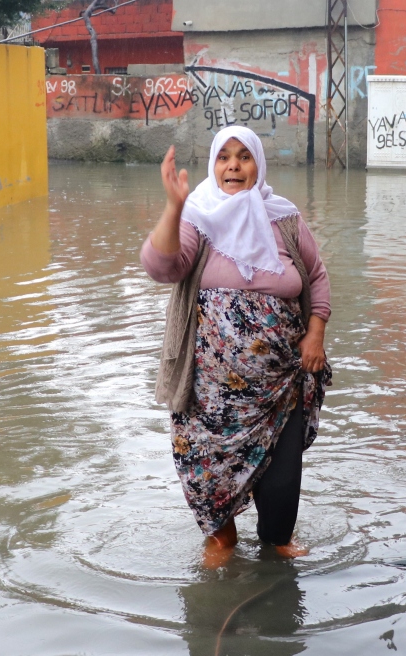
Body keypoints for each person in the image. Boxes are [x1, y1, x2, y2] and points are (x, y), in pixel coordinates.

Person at [141, 125, 332, 568]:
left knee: (283, 481)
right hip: (209, 390)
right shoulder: (198, 217)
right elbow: (161, 267)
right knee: (208, 472)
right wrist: (173, 208)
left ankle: (277, 539)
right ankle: (221, 539)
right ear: (213, 165)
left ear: (258, 165)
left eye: (244, 156)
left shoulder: (284, 218)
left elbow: (317, 276)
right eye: (224, 156)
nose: (233, 165)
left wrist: (315, 332)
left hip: (280, 380)